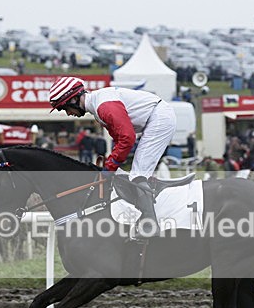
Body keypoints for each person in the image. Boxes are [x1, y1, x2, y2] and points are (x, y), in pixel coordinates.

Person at [48, 76, 176, 238]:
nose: (68, 113)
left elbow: (127, 137)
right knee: (128, 172)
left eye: (65, 108)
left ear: (73, 99)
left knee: (138, 174)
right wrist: (111, 165)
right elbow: (119, 140)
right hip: (156, 117)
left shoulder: (104, 107)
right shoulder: (98, 108)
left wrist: (109, 168)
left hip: (159, 118)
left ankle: (150, 224)